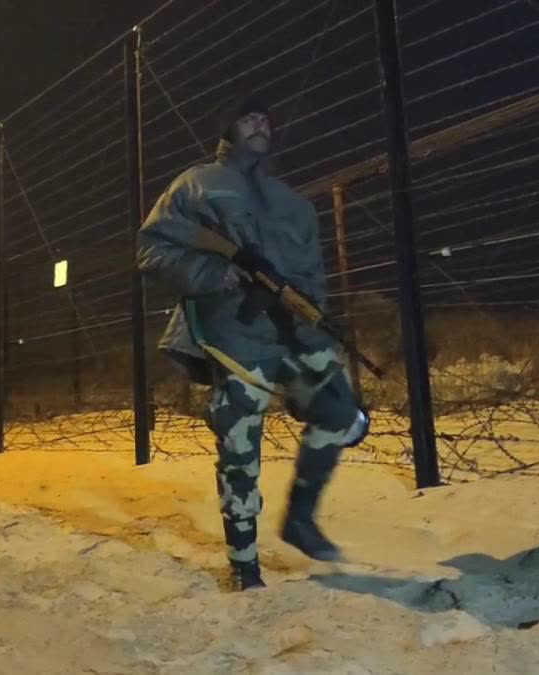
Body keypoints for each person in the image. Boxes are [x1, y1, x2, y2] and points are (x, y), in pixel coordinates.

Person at [137, 94, 368, 590]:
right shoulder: (196, 185)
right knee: (240, 448)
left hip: (292, 330)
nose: (261, 124)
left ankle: (300, 517)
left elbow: (311, 276)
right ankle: (245, 565)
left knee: (340, 412)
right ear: (226, 131)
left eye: (266, 117)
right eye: (248, 117)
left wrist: (315, 327)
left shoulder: (293, 202)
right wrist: (214, 274)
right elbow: (151, 249)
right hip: (232, 335)